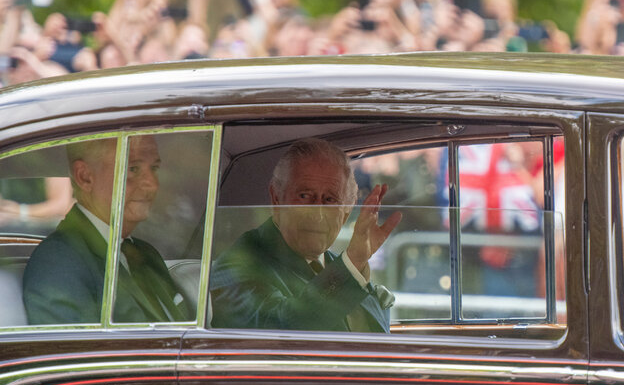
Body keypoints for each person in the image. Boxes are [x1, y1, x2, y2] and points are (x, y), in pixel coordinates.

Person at [210, 137, 402, 332]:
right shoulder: (239, 263)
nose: (317, 215)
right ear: (277, 198)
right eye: (304, 196)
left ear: (346, 212)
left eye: (330, 200)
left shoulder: (337, 265)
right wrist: (353, 263)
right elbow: (283, 332)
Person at [22, 136, 189, 324]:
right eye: (133, 168)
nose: (152, 184)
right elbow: (71, 351)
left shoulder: (146, 254)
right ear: (85, 177)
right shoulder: (58, 263)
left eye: (154, 168)